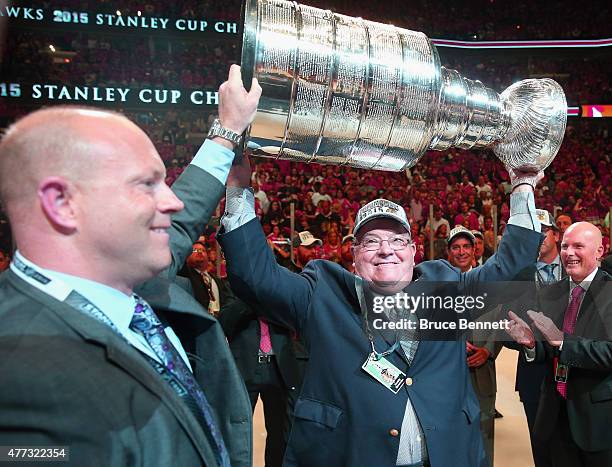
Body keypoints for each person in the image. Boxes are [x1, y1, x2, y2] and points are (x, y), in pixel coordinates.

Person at [0, 64, 261, 466]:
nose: (171, 202)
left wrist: (226, 131)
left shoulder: (119, 276)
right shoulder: (21, 373)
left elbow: (182, 217)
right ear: (62, 204)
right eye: (146, 185)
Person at [218, 153, 544, 467]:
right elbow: (255, 276)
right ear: (355, 254)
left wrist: (523, 187)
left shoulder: (446, 287)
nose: (385, 249)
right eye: (371, 241)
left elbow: (510, 267)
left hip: (447, 455)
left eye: (397, 239)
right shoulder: (324, 292)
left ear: (414, 251)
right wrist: (237, 186)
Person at [507, 221, 612, 466]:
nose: (569, 253)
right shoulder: (549, 293)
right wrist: (531, 345)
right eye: (565, 246)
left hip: (599, 423)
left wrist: (563, 341)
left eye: (578, 246)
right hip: (554, 417)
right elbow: (549, 348)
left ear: (600, 251)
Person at [505, 209, 564, 467]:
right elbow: (505, 329)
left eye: (542, 232)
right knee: (542, 452)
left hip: (581, 376)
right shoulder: (516, 277)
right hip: (534, 375)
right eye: (531, 234)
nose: (537, 238)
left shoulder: (580, 268)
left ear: (556, 234)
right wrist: (529, 341)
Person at [446, 226, 502, 467]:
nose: (461, 251)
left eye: (466, 246)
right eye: (456, 247)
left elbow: (502, 321)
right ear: (448, 251)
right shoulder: (434, 284)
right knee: (448, 435)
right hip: (446, 376)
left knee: (484, 433)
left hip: (482, 373)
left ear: (475, 249)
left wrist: (488, 350)